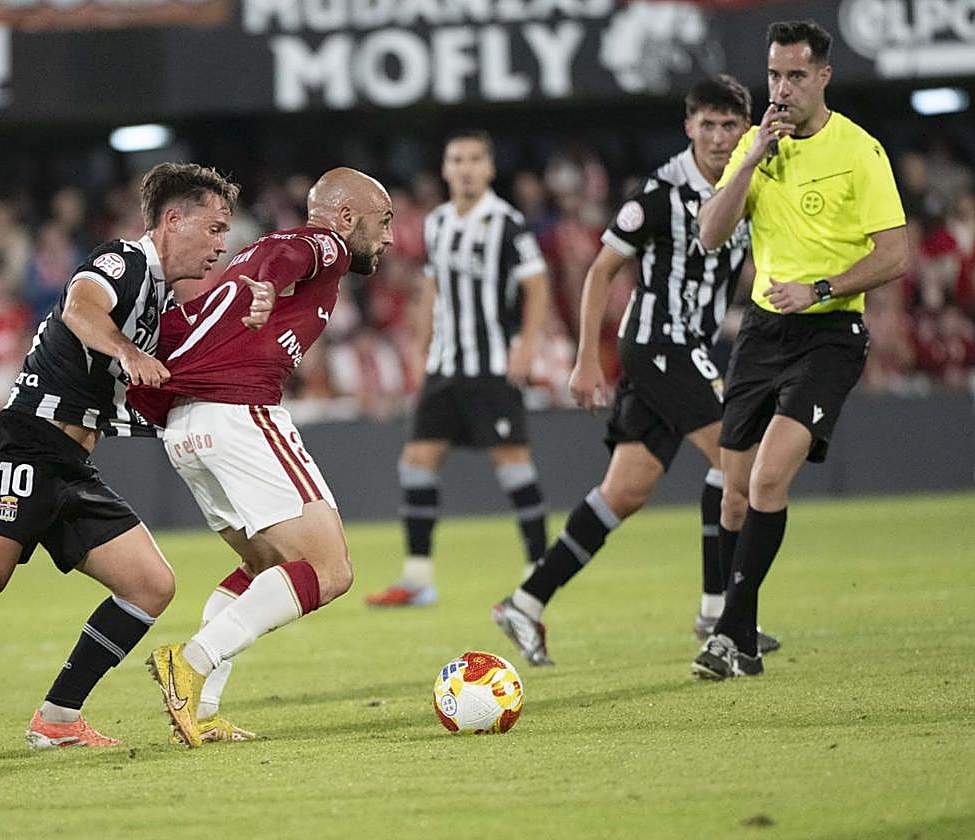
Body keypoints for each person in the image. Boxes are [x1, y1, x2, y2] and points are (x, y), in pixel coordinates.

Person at [0, 163, 262, 764]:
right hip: (24, 442)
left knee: (151, 586)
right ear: (174, 220)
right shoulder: (125, 262)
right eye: (216, 227)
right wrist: (125, 350)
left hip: (71, 463)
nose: (223, 244)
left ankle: (59, 717)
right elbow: (79, 306)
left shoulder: (160, 298)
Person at [489, 76, 786, 666]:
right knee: (742, 466)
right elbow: (600, 272)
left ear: (745, 128)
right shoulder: (658, 194)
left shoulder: (751, 183)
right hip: (658, 346)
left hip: (689, 348)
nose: (721, 137)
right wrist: (583, 361)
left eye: (731, 125)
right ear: (689, 127)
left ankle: (525, 601)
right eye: (709, 124)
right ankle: (720, 613)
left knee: (623, 492)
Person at [128, 167, 395, 748]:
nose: (390, 237)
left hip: (187, 428)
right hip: (240, 414)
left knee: (261, 570)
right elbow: (290, 252)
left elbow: (187, 323)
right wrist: (273, 283)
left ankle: (200, 709)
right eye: (384, 221)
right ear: (347, 217)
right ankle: (192, 661)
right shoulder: (324, 244)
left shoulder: (239, 267)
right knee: (331, 571)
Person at [691, 20, 907, 678]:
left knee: (766, 479)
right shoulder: (758, 148)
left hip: (829, 332)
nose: (781, 89)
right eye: (774, 76)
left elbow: (894, 254)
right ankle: (746, 642)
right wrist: (750, 158)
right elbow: (710, 235)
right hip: (762, 334)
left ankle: (729, 634)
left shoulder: (859, 151)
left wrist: (819, 289)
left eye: (795, 77)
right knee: (732, 495)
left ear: (823, 78)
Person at [365, 129, 551, 607]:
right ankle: (418, 579)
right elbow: (431, 288)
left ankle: (538, 571)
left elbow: (536, 286)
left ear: (488, 168)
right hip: (446, 365)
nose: (465, 168)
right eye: (456, 159)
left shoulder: (506, 222)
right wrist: (419, 346)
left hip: (491, 365)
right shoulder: (438, 223)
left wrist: (527, 345)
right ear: (446, 169)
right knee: (417, 462)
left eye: (474, 160)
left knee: (512, 464)